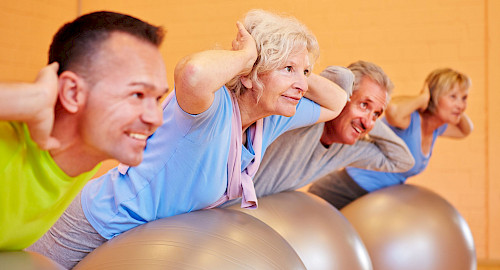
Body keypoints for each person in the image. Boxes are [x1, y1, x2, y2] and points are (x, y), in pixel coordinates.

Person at [27, 9, 349, 268]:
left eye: (304, 73)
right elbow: (192, 73)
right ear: (251, 75)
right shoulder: (210, 109)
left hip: (147, 248)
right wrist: (249, 56)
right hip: (95, 225)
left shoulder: (271, 119)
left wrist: (297, 66)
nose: (302, 85)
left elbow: (336, 103)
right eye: (288, 69)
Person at [0, 11, 168, 250]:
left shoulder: (87, 154)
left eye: (157, 98)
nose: (156, 118)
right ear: (72, 93)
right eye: (137, 94)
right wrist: (31, 98)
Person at [222, 60, 416, 208]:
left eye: (377, 114)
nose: (368, 121)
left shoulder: (348, 149)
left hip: (238, 214)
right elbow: (339, 76)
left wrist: (368, 118)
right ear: (344, 98)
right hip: (212, 201)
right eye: (363, 104)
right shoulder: (302, 115)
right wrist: (342, 104)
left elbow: (403, 160)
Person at [309, 67, 473, 209]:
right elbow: (393, 109)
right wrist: (424, 98)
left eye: (464, 98)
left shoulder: (438, 128)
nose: (460, 105)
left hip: (376, 200)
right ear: (434, 96)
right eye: (453, 97)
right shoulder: (410, 120)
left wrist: (456, 109)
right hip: (346, 189)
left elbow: (466, 130)